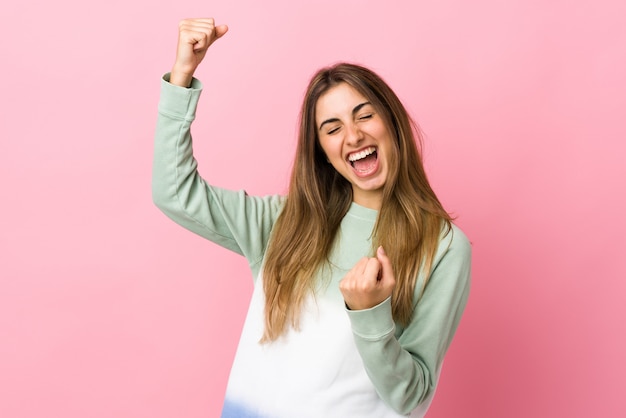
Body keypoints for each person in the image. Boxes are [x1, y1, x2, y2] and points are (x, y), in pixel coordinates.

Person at [153, 17, 471, 418]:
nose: (353, 136)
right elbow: (174, 192)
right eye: (332, 128)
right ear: (321, 150)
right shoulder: (283, 222)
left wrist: (370, 315)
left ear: (392, 121)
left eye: (364, 115)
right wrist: (181, 77)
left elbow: (412, 397)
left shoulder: (442, 247)